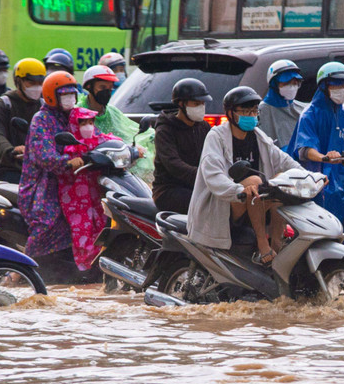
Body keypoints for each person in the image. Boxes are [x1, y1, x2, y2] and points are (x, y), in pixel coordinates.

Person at [189, 86, 302, 262]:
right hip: (226, 206)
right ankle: (262, 244)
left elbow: (285, 161)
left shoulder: (259, 137)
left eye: (254, 111)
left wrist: (309, 176)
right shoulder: (216, 137)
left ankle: (276, 247)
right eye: (245, 111)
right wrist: (238, 190)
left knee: (280, 182)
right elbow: (213, 176)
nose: (250, 115)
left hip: (254, 204)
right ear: (230, 113)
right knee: (254, 181)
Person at [287, 62, 344, 226]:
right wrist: (324, 157)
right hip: (319, 183)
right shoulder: (310, 115)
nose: (343, 88)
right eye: (337, 84)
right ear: (324, 86)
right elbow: (304, 149)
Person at [19, 71, 86, 268]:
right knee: (46, 222)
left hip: (71, 180)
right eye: (64, 95)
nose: (70, 99)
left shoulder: (75, 116)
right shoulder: (41, 119)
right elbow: (44, 156)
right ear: (51, 96)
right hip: (41, 183)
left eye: (72, 94)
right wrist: (67, 161)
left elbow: (95, 136)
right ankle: (20, 269)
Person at [57, 105, 121, 272]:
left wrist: (135, 150)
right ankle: (85, 269)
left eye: (90, 122)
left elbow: (114, 142)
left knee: (101, 227)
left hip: (96, 196)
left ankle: (100, 266)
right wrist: (73, 161)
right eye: (82, 123)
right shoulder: (71, 148)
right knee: (82, 232)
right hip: (76, 200)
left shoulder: (98, 140)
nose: (88, 126)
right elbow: (66, 163)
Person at [78, 64, 153, 182]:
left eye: (109, 88)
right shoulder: (79, 113)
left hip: (115, 171)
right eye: (102, 87)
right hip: (87, 173)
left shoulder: (112, 112)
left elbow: (126, 132)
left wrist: (135, 148)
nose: (106, 92)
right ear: (88, 86)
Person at [152, 77, 213, 213]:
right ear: (181, 103)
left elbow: (215, 154)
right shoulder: (165, 130)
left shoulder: (203, 127)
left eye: (203, 103)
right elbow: (174, 164)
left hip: (199, 185)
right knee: (208, 205)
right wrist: (203, 176)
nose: (201, 107)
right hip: (169, 190)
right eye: (196, 103)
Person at [0, 58, 45, 183]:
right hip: (9, 168)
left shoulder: (43, 106)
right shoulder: (3, 105)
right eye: (31, 82)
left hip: (40, 167)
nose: (37, 87)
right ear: (18, 81)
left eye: (40, 83)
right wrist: (11, 150)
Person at [259, 59, 305, 146]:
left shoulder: (303, 109)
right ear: (274, 84)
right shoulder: (260, 112)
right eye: (286, 83)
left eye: (295, 83)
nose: (292, 87)